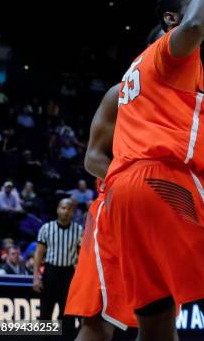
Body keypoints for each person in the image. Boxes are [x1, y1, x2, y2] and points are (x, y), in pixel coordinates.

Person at [93, 0, 204, 341]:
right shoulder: (168, 51)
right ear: (169, 19)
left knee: (156, 323)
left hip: (123, 194)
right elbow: (194, 24)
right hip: (164, 181)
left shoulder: (136, 72)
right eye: (199, 4)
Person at [66, 26, 165, 340]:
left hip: (160, 218)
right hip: (116, 210)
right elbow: (92, 158)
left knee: (156, 319)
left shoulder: (182, 102)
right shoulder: (120, 93)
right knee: (97, 318)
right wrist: (132, 187)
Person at [32, 198, 82, 337]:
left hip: (68, 274)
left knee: (68, 315)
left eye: (69, 209)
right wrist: (36, 276)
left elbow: (83, 255)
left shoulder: (78, 230)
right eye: (63, 208)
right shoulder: (46, 228)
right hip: (51, 272)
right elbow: (39, 253)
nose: (66, 211)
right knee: (45, 313)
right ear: (58, 209)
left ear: (73, 212)